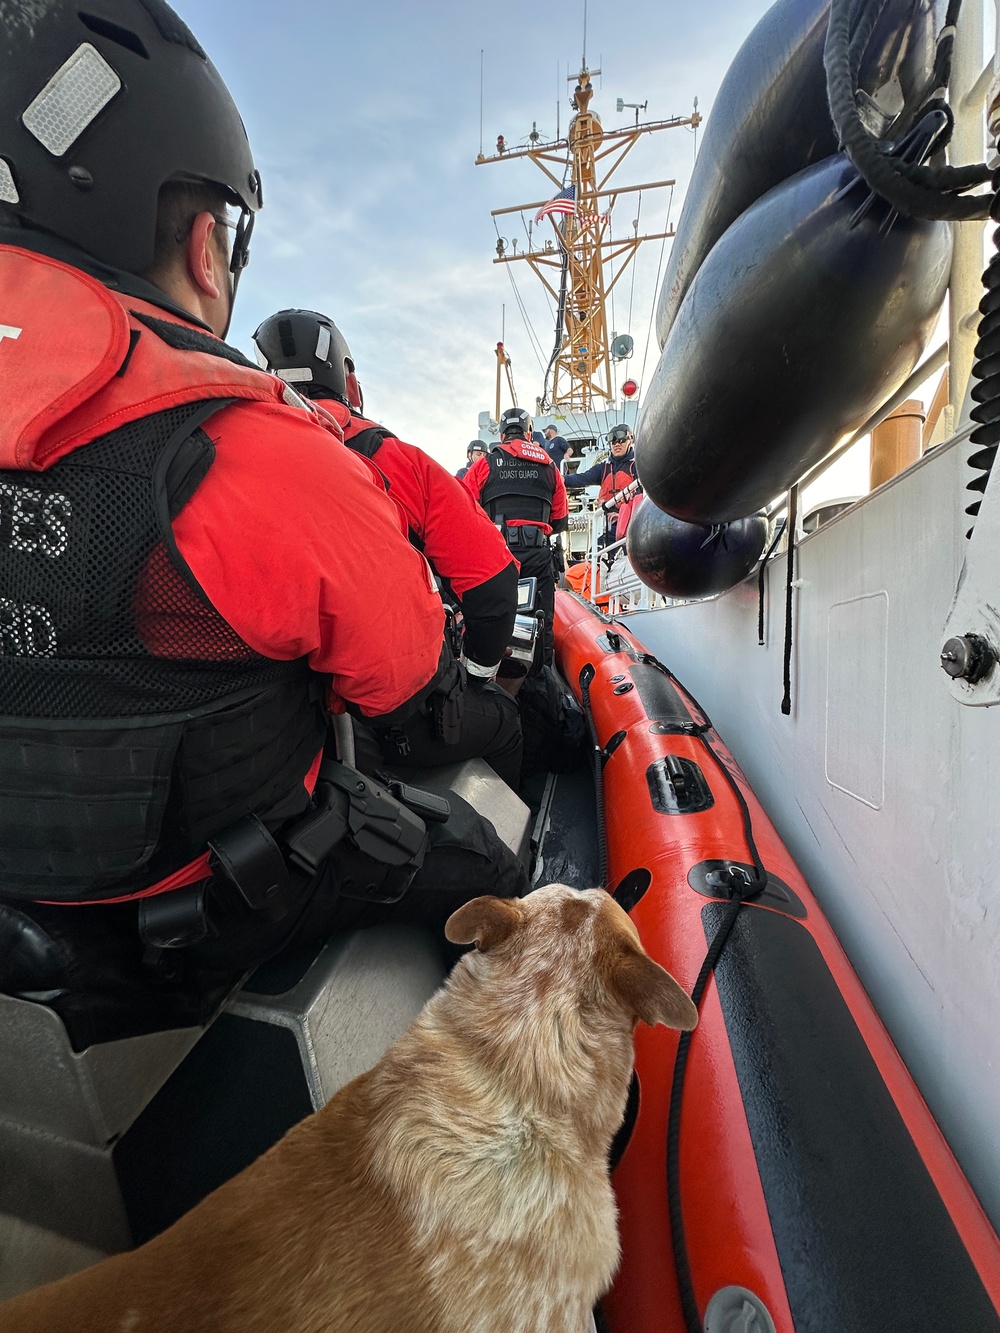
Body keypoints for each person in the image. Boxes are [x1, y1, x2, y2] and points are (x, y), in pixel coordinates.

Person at [0, 0, 524, 1042]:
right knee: (500, 874)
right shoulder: (256, 448)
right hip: (210, 900)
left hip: (23, 908)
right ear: (205, 245)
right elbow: (408, 687)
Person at [251, 309, 523, 789]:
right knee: (506, 722)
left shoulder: (239, 458)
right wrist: (478, 675)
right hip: (391, 710)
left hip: (284, 728)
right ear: (348, 382)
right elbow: (493, 581)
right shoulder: (399, 462)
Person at [462, 407, 569, 667]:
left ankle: (484, 680)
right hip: (538, 559)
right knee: (543, 624)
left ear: (501, 435)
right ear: (529, 433)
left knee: (489, 620)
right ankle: (541, 682)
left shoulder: (484, 464)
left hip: (498, 557)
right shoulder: (550, 467)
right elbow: (559, 520)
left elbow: (462, 509)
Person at [565, 423, 641, 543]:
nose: (617, 444)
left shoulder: (637, 466)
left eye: (621, 441)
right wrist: (559, 479)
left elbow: (643, 496)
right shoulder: (603, 468)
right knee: (595, 555)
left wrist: (625, 515)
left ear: (630, 440)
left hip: (633, 526)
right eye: (613, 442)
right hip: (610, 526)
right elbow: (581, 479)